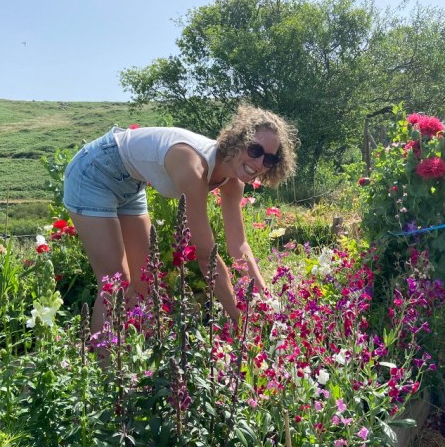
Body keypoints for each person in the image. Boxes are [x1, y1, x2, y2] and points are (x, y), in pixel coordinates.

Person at [63, 104, 298, 336]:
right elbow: (206, 256)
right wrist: (241, 323)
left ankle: (136, 365)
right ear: (237, 140)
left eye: (269, 160)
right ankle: (104, 371)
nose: (259, 164)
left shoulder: (234, 183)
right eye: (255, 151)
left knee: (146, 281)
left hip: (131, 184)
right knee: (115, 283)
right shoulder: (193, 167)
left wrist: (268, 304)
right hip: (95, 170)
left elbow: (239, 246)